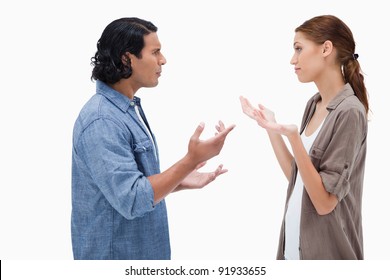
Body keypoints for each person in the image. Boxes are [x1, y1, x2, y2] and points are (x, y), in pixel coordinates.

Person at [71, 17, 235, 260]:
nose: (163, 60)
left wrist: (179, 178)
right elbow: (133, 199)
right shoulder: (102, 121)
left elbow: (132, 184)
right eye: (155, 52)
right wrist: (190, 160)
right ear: (127, 59)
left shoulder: (124, 110)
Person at [240, 15, 369, 260]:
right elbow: (298, 178)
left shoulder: (350, 112)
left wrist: (294, 139)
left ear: (326, 48)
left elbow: (324, 203)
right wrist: (271, 127)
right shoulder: (314, 104)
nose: (293, 59)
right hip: (293, 252)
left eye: (299, 49)